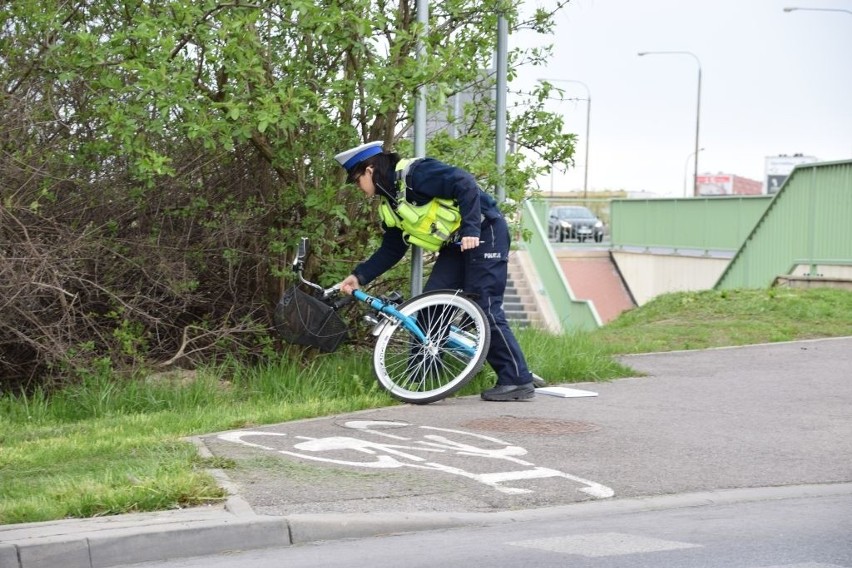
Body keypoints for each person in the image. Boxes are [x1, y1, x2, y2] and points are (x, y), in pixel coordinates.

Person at [333, 140, 535, 401]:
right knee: (430, 309)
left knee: (484, 307)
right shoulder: (390, 203)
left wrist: (472, 229)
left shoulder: (416, 174)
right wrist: (359, 276)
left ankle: (517, 380)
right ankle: (420, 381)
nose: (357, 188)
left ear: (370, 170)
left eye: (356, 180)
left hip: (485, 233)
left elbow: (465, 183)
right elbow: (392, 249)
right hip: (456, 246)